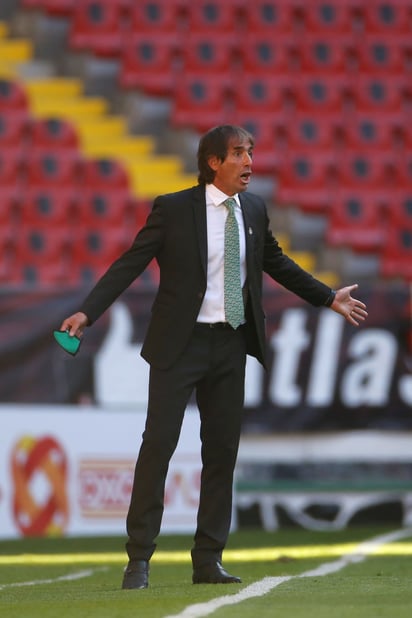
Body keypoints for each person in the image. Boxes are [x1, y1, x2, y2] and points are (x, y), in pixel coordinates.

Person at [59, 125, 367, 589]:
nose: (249, 162)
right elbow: (131, 261)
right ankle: (138, 558)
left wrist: (327, 297)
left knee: (221, 454)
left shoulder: (255, 209)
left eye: (250, 153)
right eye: (238, 154)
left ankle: (208, 559)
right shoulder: (173, 208)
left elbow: (276, 262)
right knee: (157, 447)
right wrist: (89, 310)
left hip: (230, 345)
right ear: (213, 163)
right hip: (179, 346)